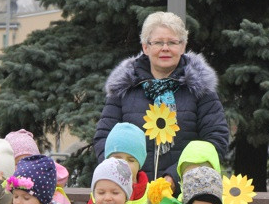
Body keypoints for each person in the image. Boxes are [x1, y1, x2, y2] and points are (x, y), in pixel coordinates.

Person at [94, 11, 229, 189]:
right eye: (158, 42)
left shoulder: (200, 90)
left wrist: (174, 177)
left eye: (172, 42)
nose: (165, 48)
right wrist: (126, 175)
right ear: (145, 47)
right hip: (133, 195)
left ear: (183, 46)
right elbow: (103, 139)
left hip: (184, 196)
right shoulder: (123, 89)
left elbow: (215, 140)